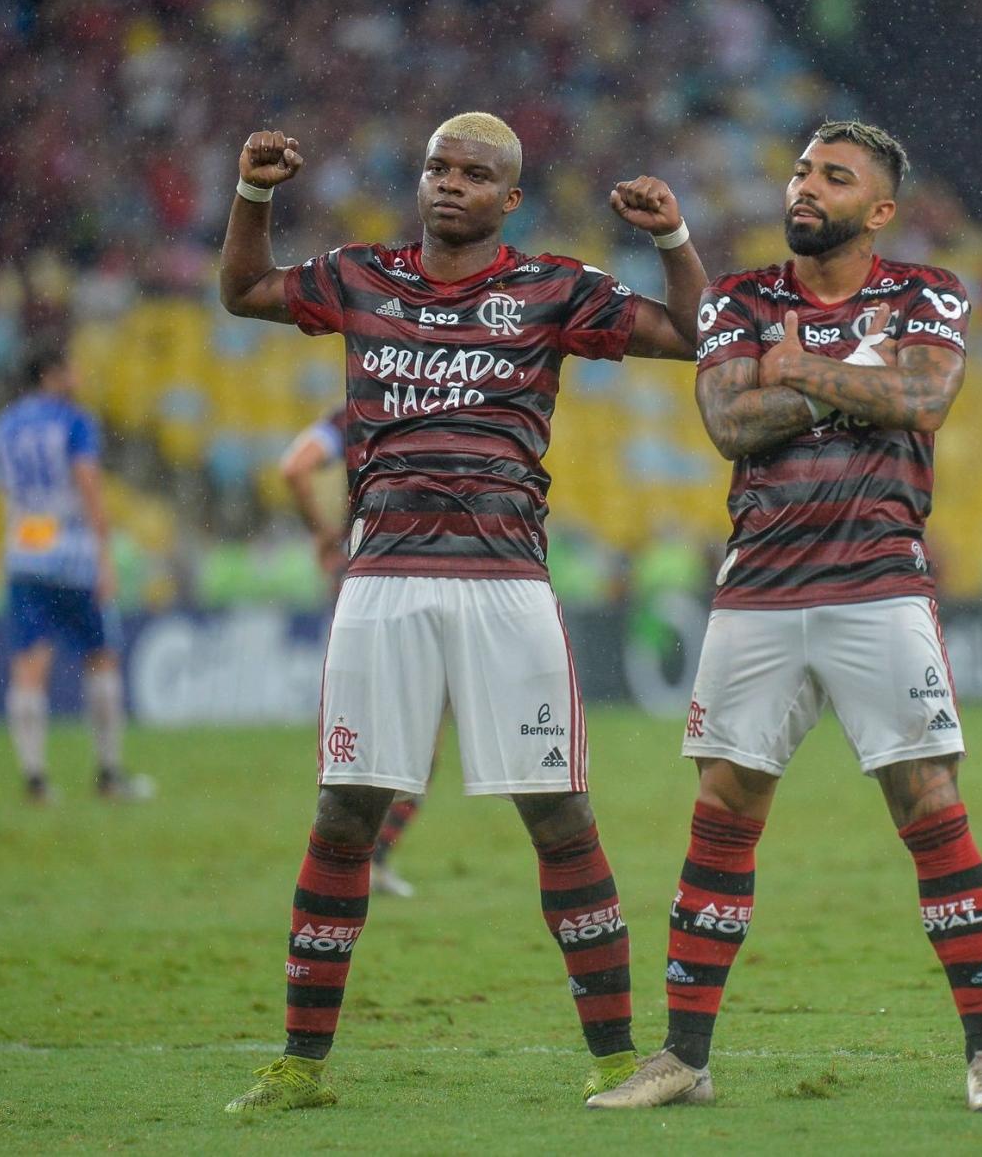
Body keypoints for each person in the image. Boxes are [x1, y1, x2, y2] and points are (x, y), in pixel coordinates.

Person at [217, 113, 706, 1113]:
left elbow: (693, 334)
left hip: (505, 583)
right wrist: (253, 194)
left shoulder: (550, 289)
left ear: (508, 198)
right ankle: (300, 1064)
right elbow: (243, 292)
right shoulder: (360, 275)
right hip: (382, 579)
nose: (449, 183)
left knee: (557, 811)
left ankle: (616, 1056)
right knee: (345, 809)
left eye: (474, 174)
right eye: (438, 166)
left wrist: (671, 240)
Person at [588, 121, 982, 1113]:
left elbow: (924, 397)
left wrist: (796, 371)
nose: (805, 186)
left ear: (877, 211)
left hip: (879, 584)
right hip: (758, 591)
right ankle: (684, 1057)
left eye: (833, 177)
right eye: (799, 170)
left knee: (927, 799)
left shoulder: (927, 291)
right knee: (723, 809)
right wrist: (850, 390)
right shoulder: (741, 297)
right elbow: (727, 423)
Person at [0, 349, 150, 803]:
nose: (78, 376)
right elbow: (88, 485)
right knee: (101, 658)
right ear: (51, 373)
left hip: (25, 552)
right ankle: (109, 774)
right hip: (74, 554)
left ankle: (36, 779)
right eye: (71, 368)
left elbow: (8, 490)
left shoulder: (3, 426)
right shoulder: (75, 422)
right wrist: (105, 555)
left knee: (28, 667)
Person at [278, 407, 422, 898]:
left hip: (360, 573)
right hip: (409, 568)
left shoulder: (354, 413)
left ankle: (347, 859)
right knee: (415, 727)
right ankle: (363, 860)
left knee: (369, 723)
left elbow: (295, 465)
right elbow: (295, 467)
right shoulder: (416, 404)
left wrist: (323, 534)